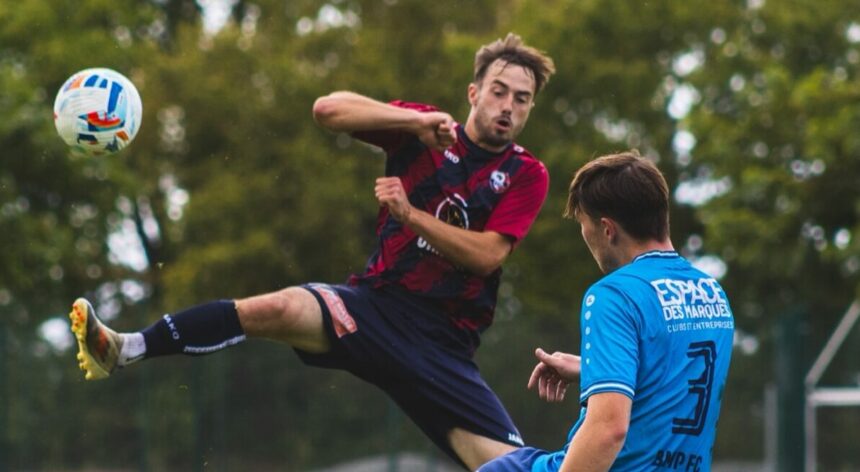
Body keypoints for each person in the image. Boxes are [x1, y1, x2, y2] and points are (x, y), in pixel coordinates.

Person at [69, 33, 555, 470]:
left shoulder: (525, 174)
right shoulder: (421, 128)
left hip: (443, 347)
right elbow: (327, 110)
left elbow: (488, 256)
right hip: (372, 310)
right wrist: (412, 120)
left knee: (511, 468)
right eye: (498, 90)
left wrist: (410, 215)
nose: (507, 105)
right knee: (276, 307)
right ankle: (126, 349)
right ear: (474, 93)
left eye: (522, 98)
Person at [480, 152, 734, 471]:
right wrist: (593, 369)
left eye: (584, 226)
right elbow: (672, 384)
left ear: (607, 229)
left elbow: (609, 431)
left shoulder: (615, 294)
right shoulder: (712, 293)